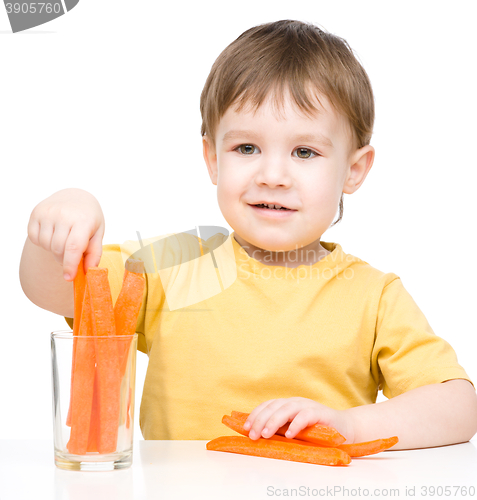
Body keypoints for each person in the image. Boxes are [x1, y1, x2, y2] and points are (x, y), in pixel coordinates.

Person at [20, 19, 477, 449]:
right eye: (246, 147)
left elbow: (459, 408)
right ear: (213, 159)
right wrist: (61, 226)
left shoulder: (373, 296)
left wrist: (353, 424)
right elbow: (58, 292)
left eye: (304, 151)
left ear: (353, 171)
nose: (272, 175)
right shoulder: (173, 267)